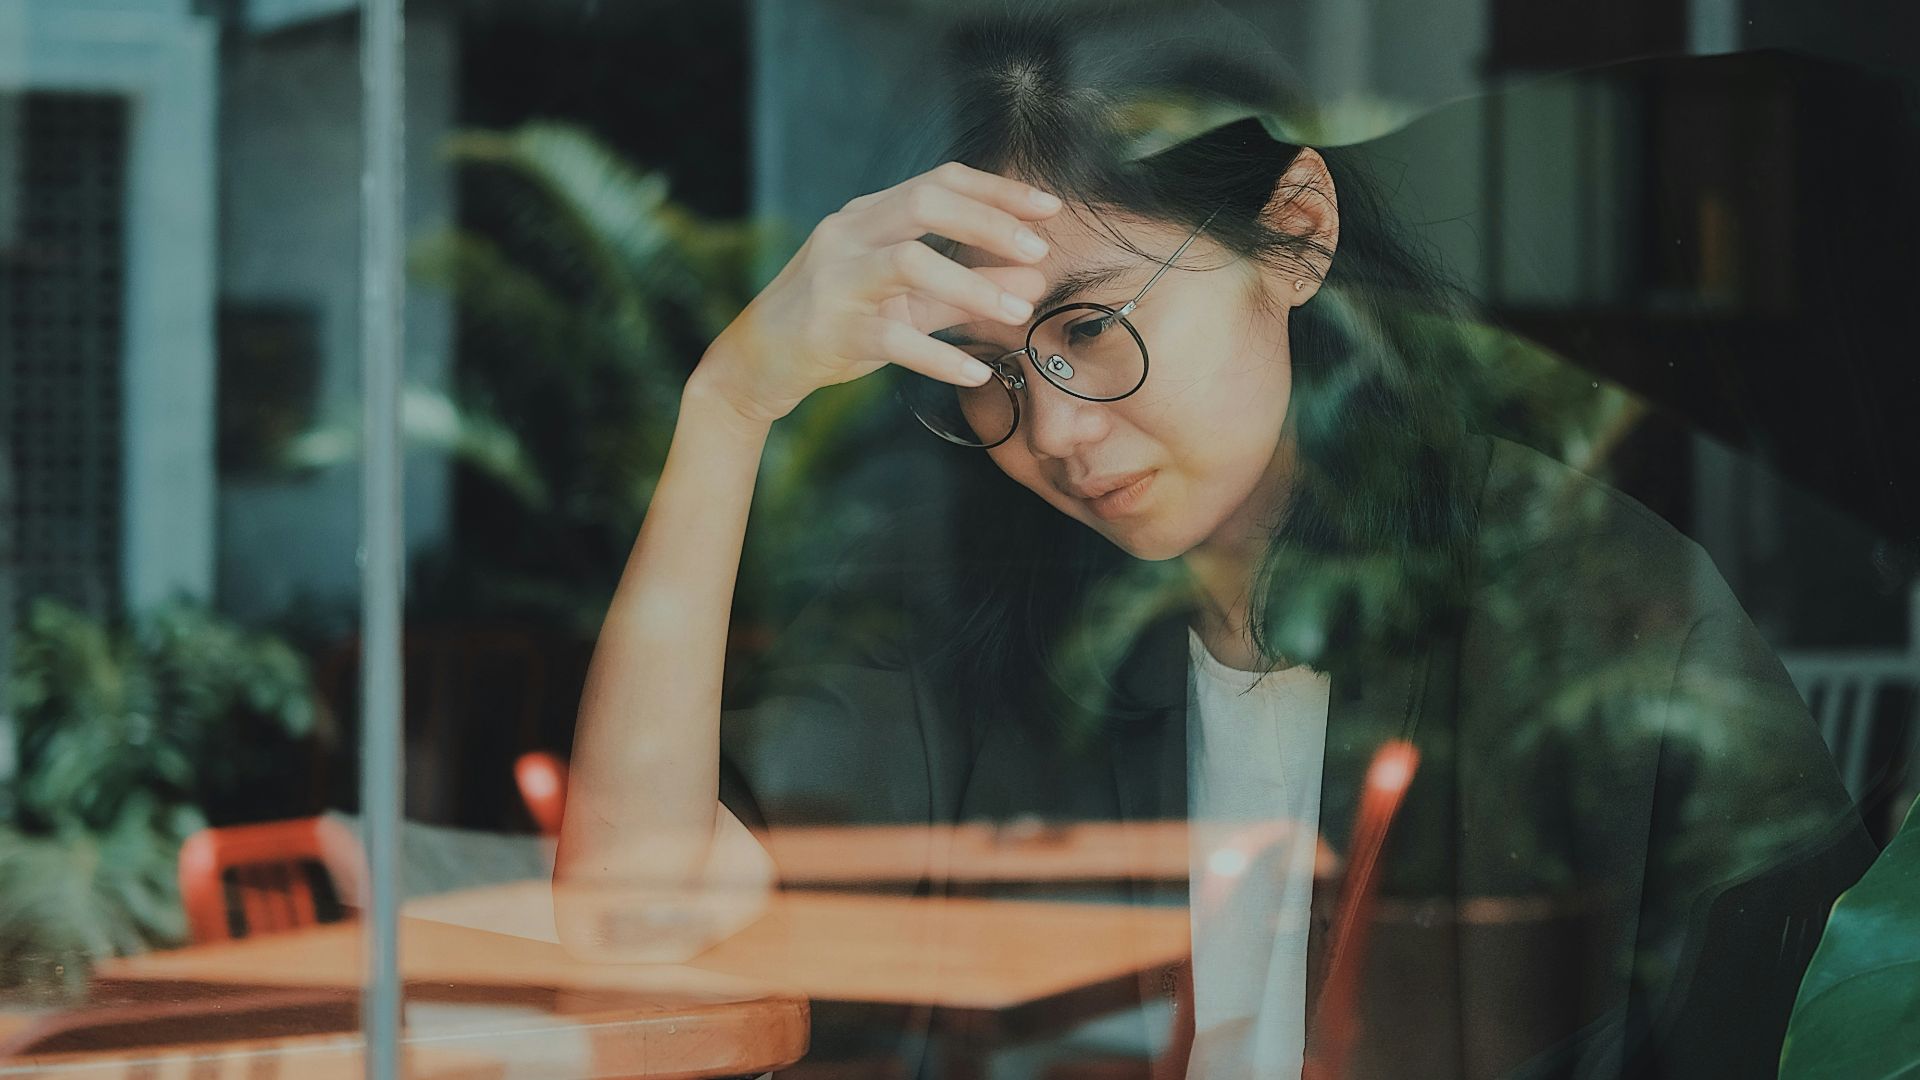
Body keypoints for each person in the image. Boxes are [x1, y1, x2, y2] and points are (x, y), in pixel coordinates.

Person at [554, 33, 1875, 1080]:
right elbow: (633, 924)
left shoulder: (1598, 613)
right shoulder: (983, 627)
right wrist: (731, 403)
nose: (1057, 432)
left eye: (1090, 324)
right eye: (994, 373)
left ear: (1295, 234)